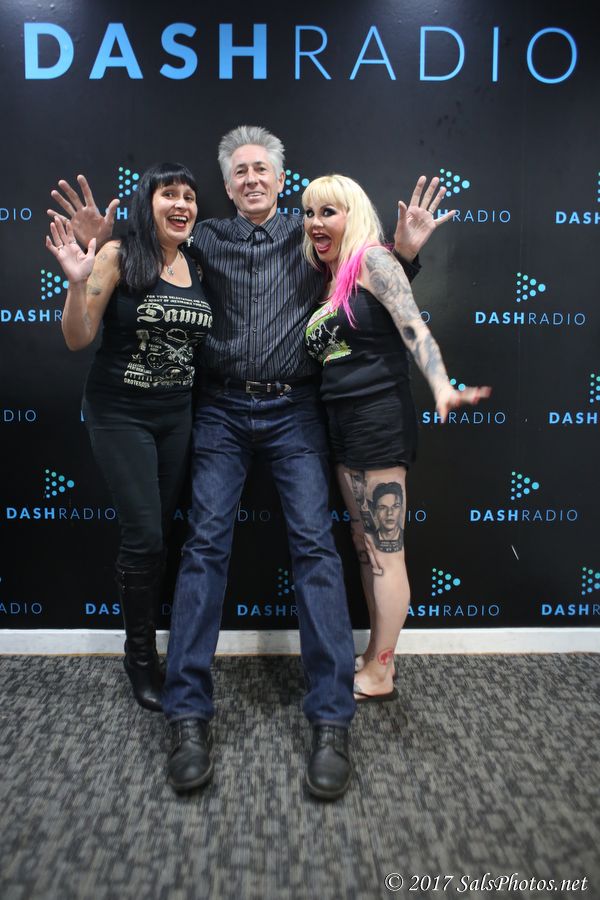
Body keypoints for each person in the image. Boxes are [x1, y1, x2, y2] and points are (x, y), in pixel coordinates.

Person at [47, 127, 453, 800]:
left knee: (315, 548)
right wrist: (103, 246)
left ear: (280, 178)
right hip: (220, 410)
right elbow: (143, 261)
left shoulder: (312, 233)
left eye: (262, 168)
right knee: (204, 546)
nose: (252, 179)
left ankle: (331, 720)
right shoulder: (202, 238)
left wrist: (405, 255)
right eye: (240, 171)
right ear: (228, 185)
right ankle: (187, 717)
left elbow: (367, 274)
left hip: (296, 410)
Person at [303, 174, 491, 702]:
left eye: (328, 211)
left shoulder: (372, 260)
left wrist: (441, 384)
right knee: (367, 548)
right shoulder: (331, 279)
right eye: (309, 213)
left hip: (377, 421)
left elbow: (413, 327)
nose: (315, 222)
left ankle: (382, 671)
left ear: (353, 214)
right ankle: (373, 656)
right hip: (342, 425)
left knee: (385, 551)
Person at [45, 163, 212, 713]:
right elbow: (77, 338)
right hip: (120, 414)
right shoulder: (119, 253)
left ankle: (153, 645)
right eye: (169, 194)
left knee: (159, 535)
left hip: (177, 416)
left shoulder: (197, 264)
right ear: (149, 203)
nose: (181, 204)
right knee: (143, 536)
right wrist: (77, 282)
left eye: (189, 196)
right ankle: (140, 658)